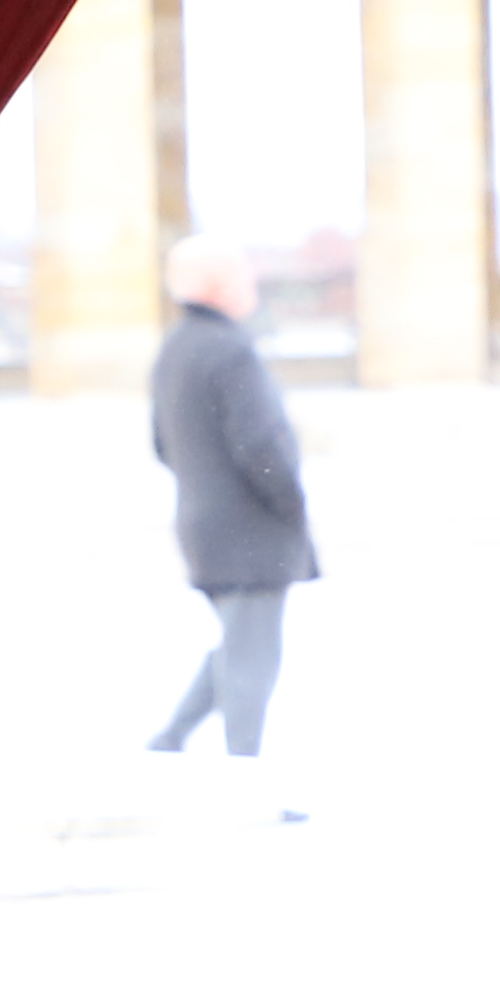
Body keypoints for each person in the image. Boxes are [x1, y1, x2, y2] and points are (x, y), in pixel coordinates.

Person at [146, 242, 316, 757]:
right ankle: (246, 780)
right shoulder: (231, 350)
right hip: (250, 531)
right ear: (217, 286)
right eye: (243, 274)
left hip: (204, 525)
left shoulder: (176, 347)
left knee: (238, 646)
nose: (252, 283)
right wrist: (290, 501)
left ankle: (169, 740)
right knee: (253, 659)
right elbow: (259, 445)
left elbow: (161, 443)